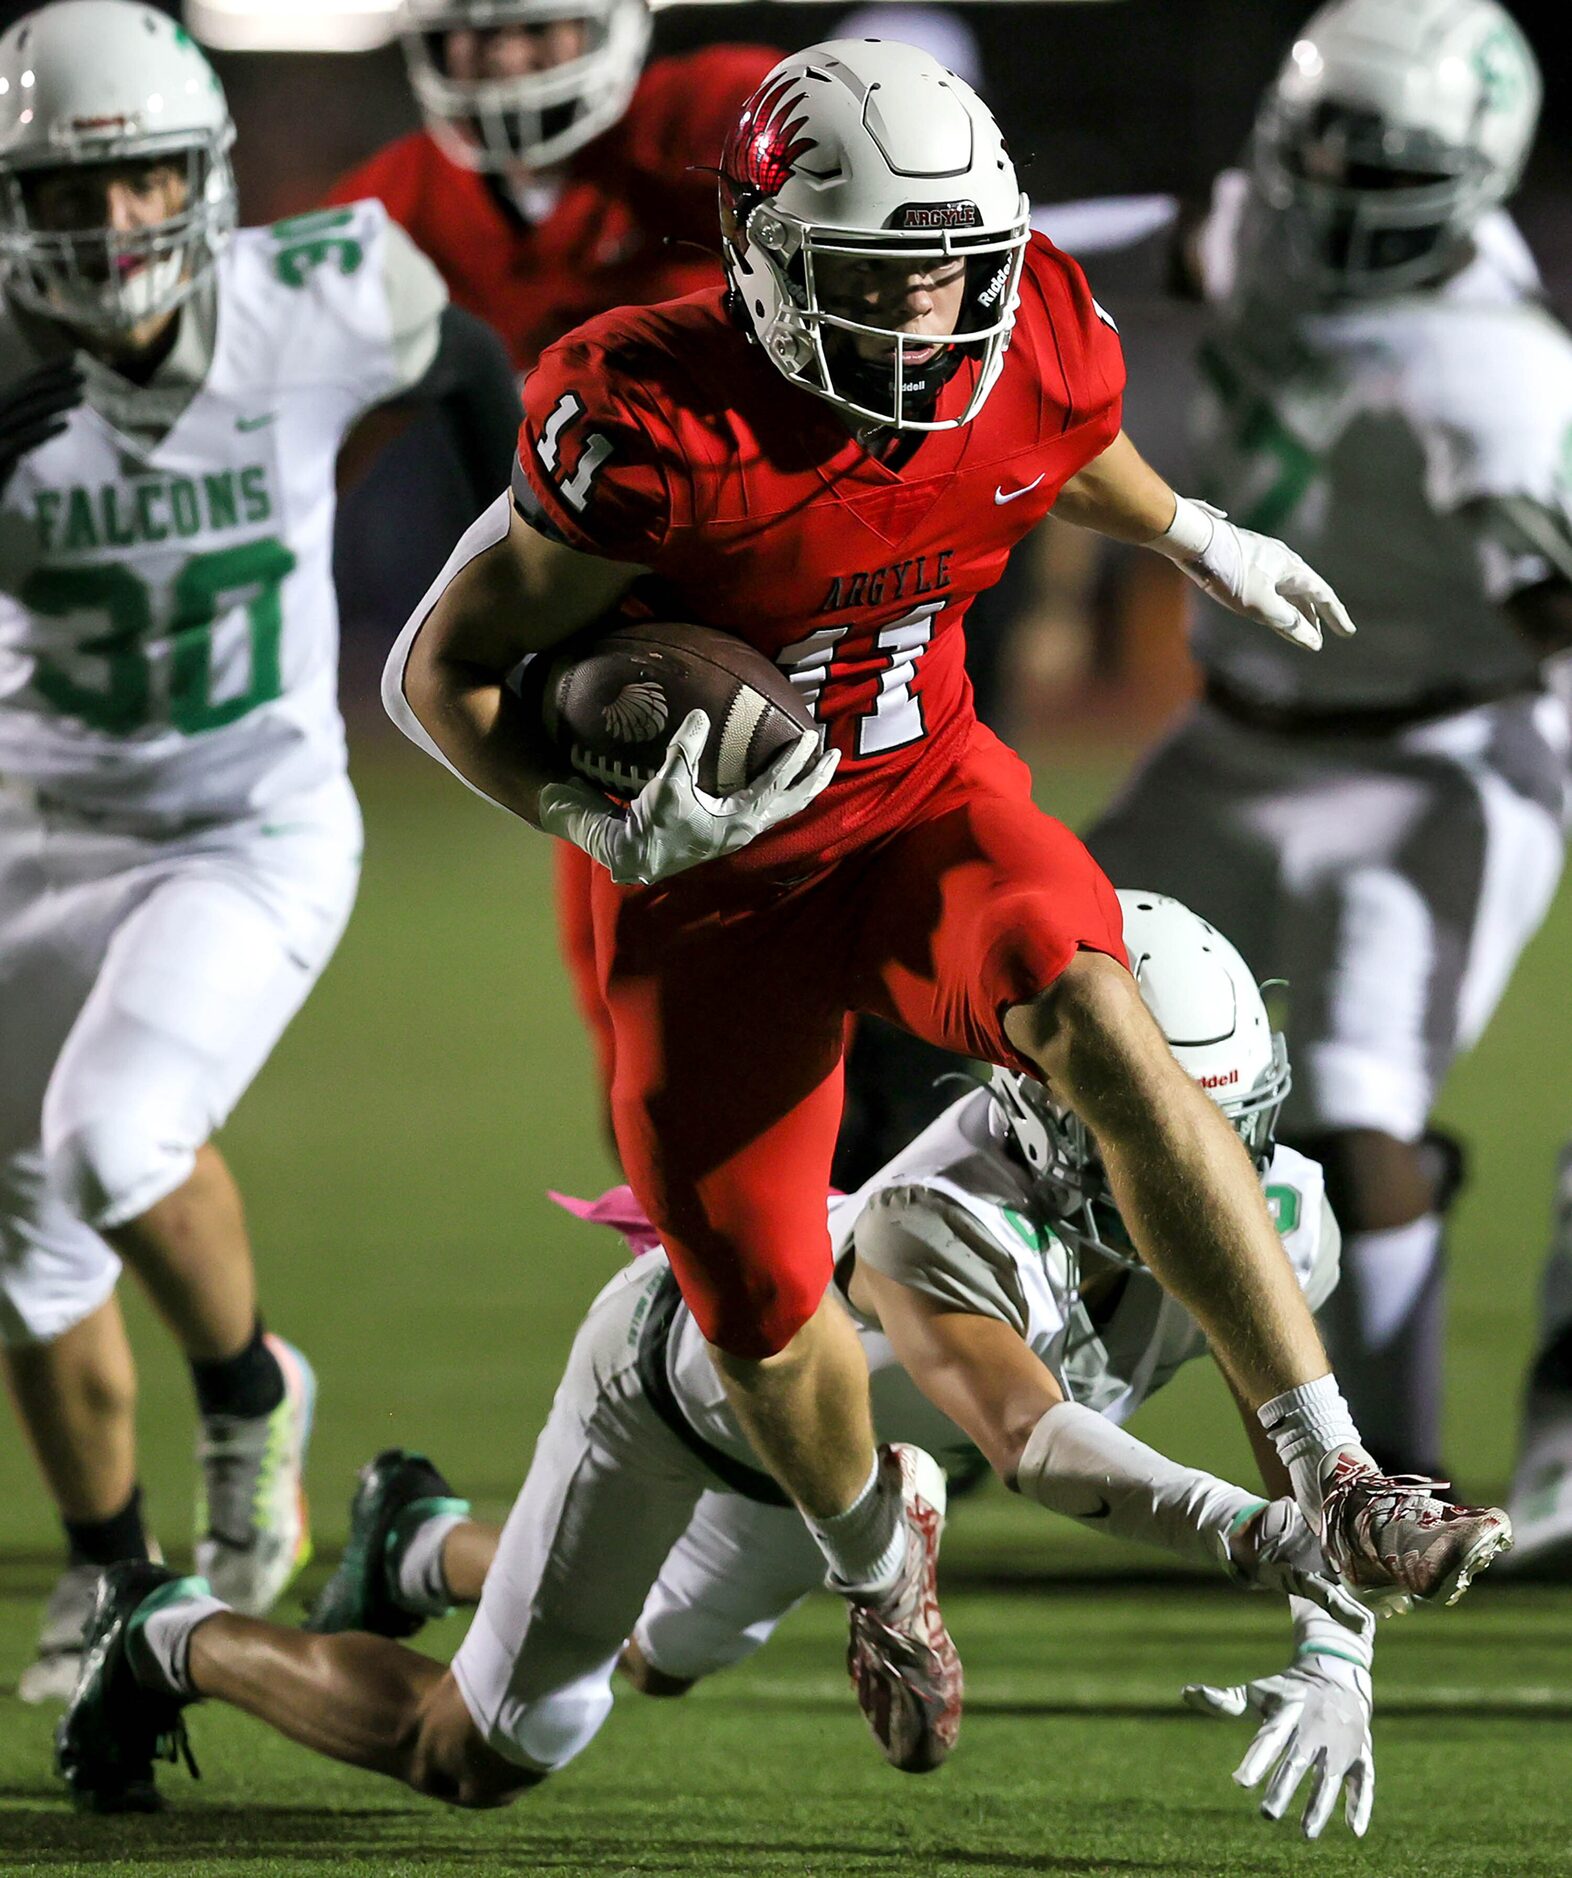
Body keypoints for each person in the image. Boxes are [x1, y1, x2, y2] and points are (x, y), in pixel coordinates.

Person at [380, 36, 1510, 1768]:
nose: (923, 320)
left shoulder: (1028, 329)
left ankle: (1338, 1469)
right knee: (753, 1292)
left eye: (950, 276)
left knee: (1093, 1004)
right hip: (714, 883)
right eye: (871, 280)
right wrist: (579, 811)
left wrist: (1191, 530)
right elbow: (435, 673)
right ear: (759, 260)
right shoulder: (649, 418)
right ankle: (865, 1564)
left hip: (925, 801)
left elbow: (1051, 442)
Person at [57, 891, 1375, 1839]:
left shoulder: (1280, 1216)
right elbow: (1030, 1435)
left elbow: (1295, 1428)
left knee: (660, 1651)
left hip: (846, 1466)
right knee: (482, 1747)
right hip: (692, 1398)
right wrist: (1264, 1541)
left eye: (1232, 1128)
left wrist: (1336, 1648)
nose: (1218, 1172)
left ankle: (420, 1538)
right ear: (1068, 1121)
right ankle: (163, 1634)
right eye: (1171, 1126)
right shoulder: (946, 1220)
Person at [0, 0, 520, 1700]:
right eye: (72, 199)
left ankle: (248, 1397)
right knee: (27, 1246)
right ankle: (110, 1570)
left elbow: (475, 383)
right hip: (31, 828)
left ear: (203, 182)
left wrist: (530, 605)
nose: (114, 229)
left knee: (109, 1135)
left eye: (146, 186)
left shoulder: (319, 299)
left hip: (248, 824)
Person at [1065, 0, 1569, 1484]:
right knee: (1003, 993)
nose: (1340, 188)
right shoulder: (1258, 229)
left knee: (1358, 1099)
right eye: (1329, 144)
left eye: (1385, 159)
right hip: (1229, 731)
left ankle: (1394, 1470)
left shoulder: (1508, 376)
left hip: (1436, 754)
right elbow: (1120, 236)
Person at [326, 0, 780, 1116]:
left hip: (805, 599)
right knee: (643, 1031)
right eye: (476, 33)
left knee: (878, 981)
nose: (506, 59)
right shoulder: (398, 204)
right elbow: (294, 420)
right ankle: (697, 1274)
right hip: (607, 648)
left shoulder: (730, 113)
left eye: (537, 26)